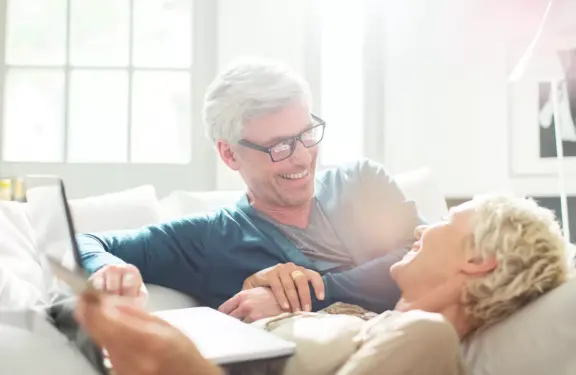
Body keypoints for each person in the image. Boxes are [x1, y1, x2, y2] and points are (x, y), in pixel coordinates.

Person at [76, 58, 423, 321]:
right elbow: (84, 244)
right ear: (229, 154)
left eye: (306, 134)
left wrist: (302, 295)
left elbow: (419, 259)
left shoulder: (361, 182)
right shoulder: (210, 239)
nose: (301, 157)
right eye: (279, 147)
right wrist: (108, 270)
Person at [75, 194, 568, 375]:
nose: (421, 228)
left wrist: (180, 364)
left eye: (445, 220)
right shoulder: (375, 322)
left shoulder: (426, 336)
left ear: (477, 259)